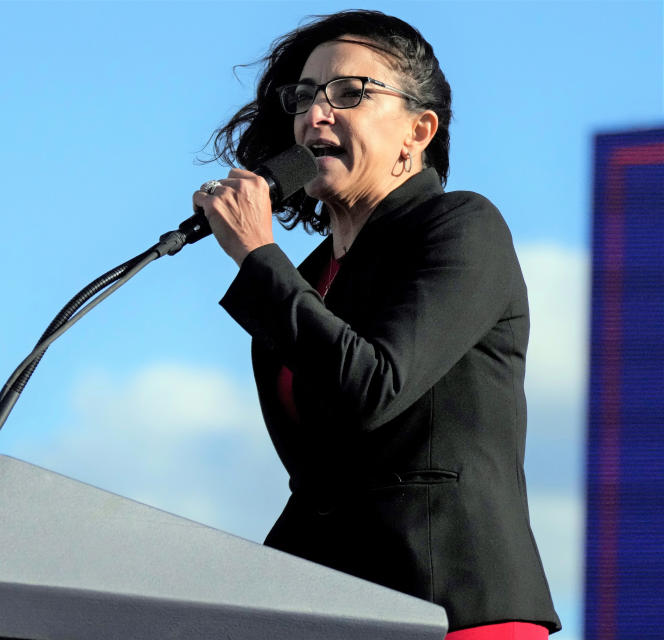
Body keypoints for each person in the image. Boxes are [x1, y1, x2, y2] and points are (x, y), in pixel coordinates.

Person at [192, 10, 561, 638]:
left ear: (418, 130)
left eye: (350, 93)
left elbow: (373, 388)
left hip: (450, 606)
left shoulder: (461, 227)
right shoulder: (305, 277)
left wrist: (258, 256)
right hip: (334, 606)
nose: (316, 114)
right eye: (303, 97)